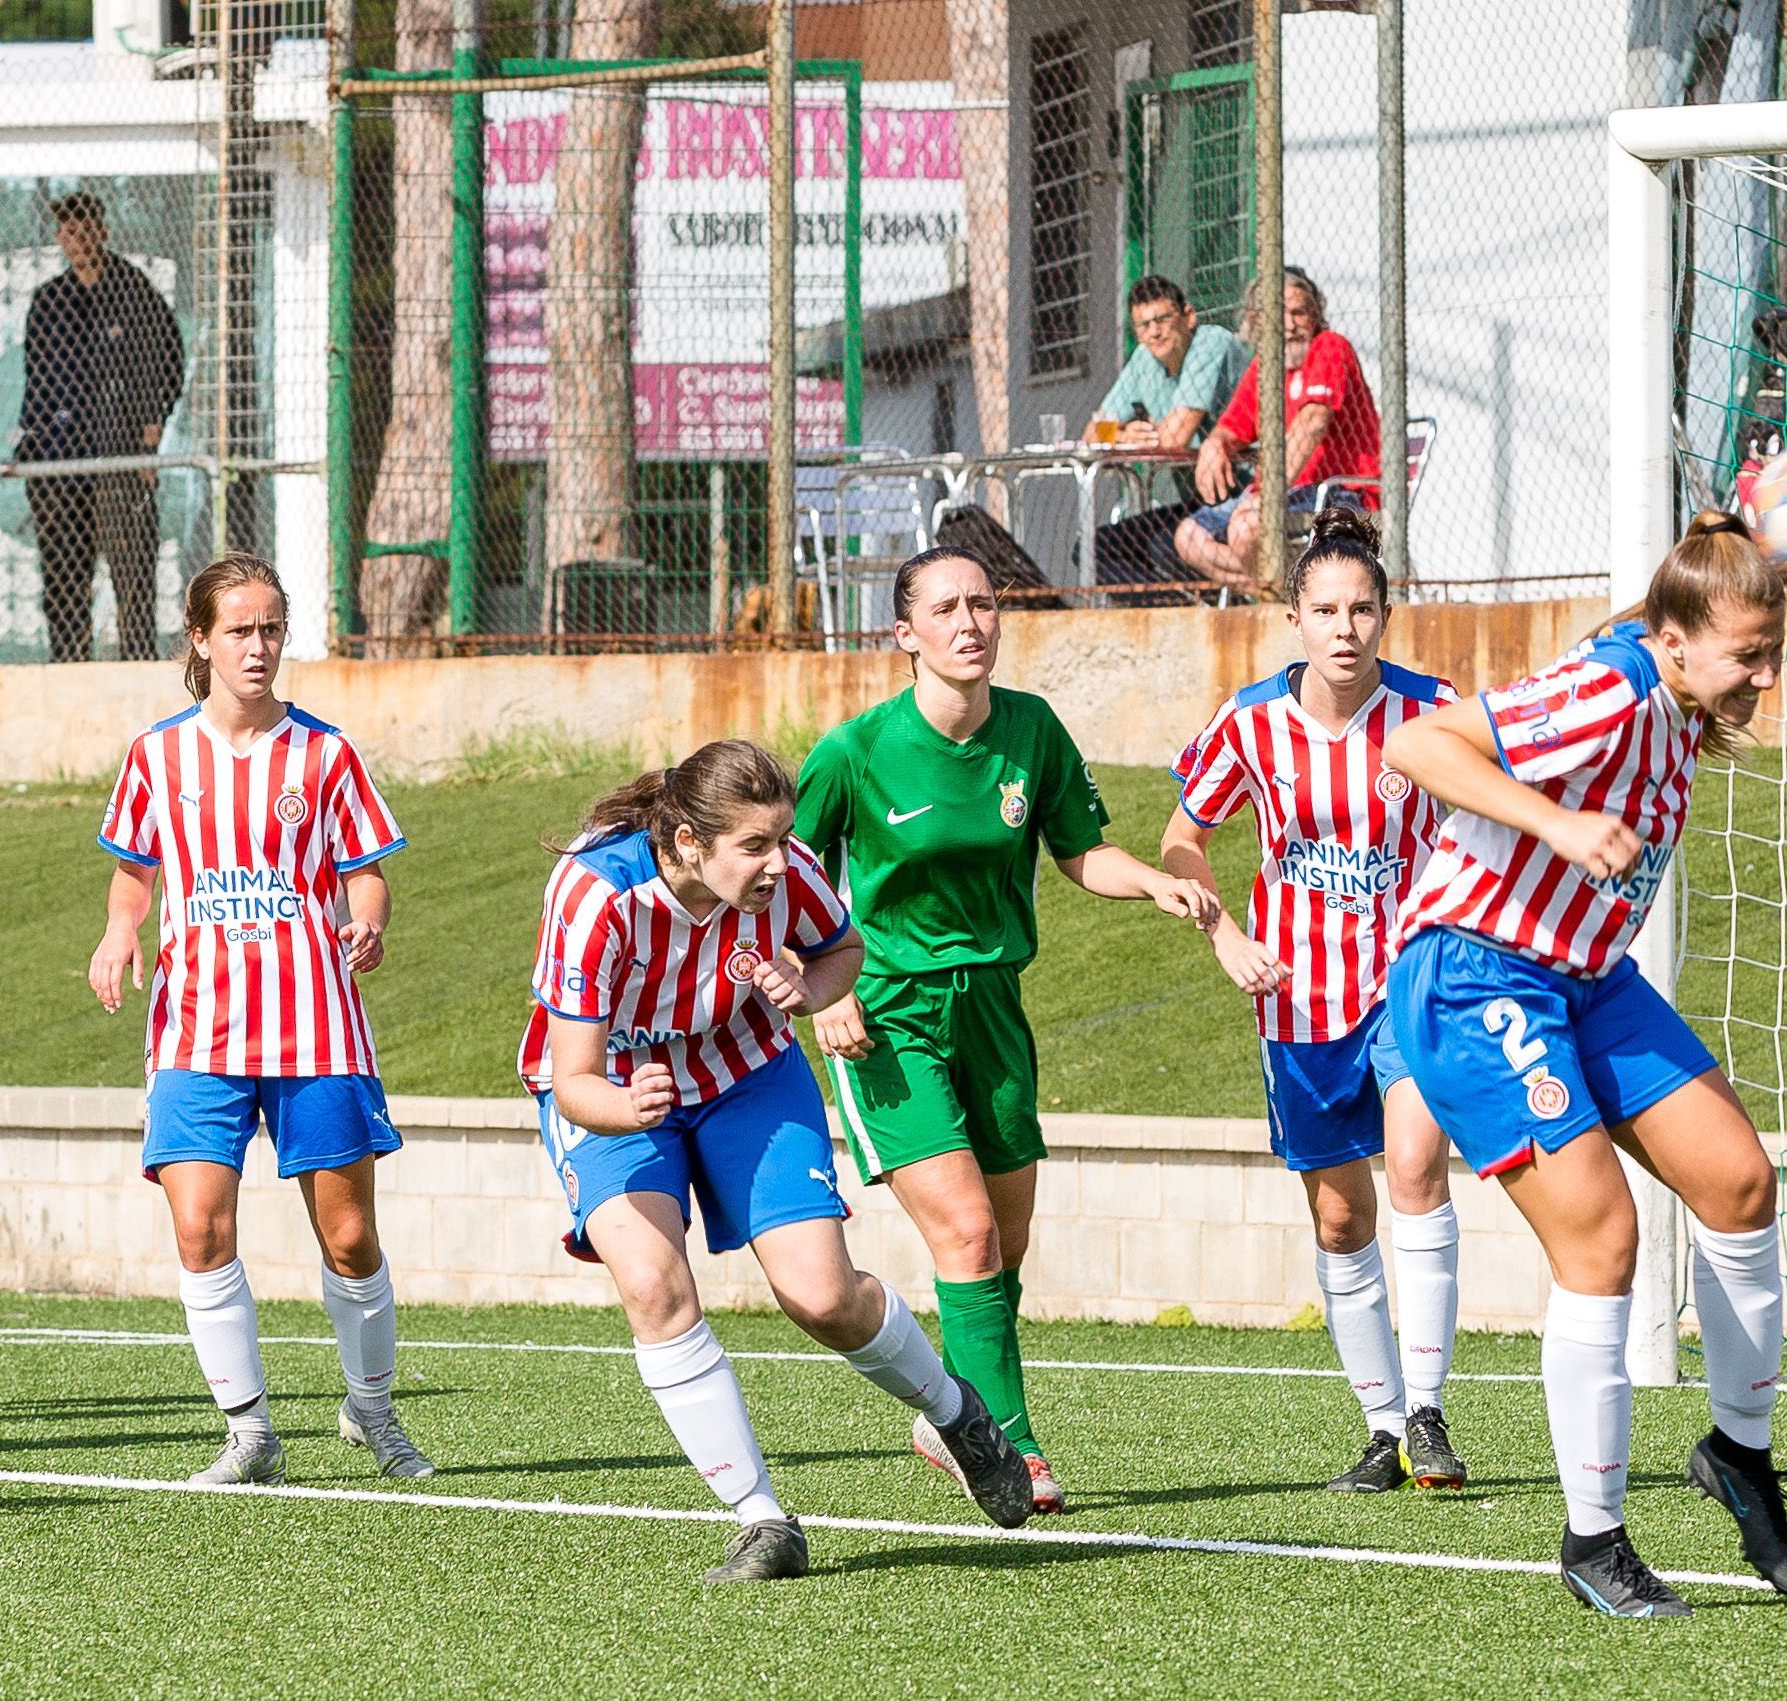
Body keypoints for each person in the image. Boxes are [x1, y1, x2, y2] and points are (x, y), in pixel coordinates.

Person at [1382, 515, 1787, 1617]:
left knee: (1739, 1182)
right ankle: (1592, 1540)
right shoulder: (1612, 688)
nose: (1764, 675)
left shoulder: (1676, 701)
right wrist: (1556, 827)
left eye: (1772, 652)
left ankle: (1736, 1454)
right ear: (1671, 641)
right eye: (1747, 654)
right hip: (1477, 978)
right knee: (1602, 1236)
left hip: (1584, 978)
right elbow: (1417, 744)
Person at [529, 739, 1036, 1582]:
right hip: (620, 1088)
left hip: (746, 1074)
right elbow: (569, 1076)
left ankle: (957, 1414)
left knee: (823, 1295)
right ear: (689, 841)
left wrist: (815, 989)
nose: (777, 864)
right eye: (755, 846)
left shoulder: (787, 868)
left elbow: (842, 949)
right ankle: (762, 1519)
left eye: (784, 838)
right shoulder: (595, 895)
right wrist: (631, 1107)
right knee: (654, 1284)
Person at [798, 546, 1220, 1513]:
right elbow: (782, 876)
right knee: (969, 1231)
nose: (969, 621)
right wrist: (829, 991)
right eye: (945, 607)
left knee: (1004, 1242)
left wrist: (1153, 878)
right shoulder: (856, 752)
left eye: (983, 603)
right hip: (891, 1019)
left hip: (996, 1009)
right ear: (905, 633)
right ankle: (1006, 1446)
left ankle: (944, 1409)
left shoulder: (1030, 728)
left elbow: (1080, 852)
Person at [88, 553, 433, 1486]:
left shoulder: (325, 753)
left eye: (272, 627)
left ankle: (370, 1408)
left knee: (350, 1234)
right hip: (197, 1029)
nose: (258, 645)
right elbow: (134, 880)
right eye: (239, 629)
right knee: (200, 1225)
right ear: (199, 639)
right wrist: (120, 936)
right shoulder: (157, 754)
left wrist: (366, 921)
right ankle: (249, 1431)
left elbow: (368, 872)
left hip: (316, 1025)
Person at [1160, 515, 1471, 1494]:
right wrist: (1223, 933)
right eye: (1324, 611)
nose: (1344, 628)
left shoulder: (1432, 709)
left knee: (1416, 1165)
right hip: (1296, 997)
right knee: (1341, 1218)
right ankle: (1379, 1428)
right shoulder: (1249, 723)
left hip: (1409, 980)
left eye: (1362, 610)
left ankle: (1426, 1413)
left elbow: (1486, 811)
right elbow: (1181, 836)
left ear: (1385, 617)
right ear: (1294, 619)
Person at [15, 190, 184, 664]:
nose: (81, 240)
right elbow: (39, 384)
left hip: (122, 459)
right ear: (59, 239)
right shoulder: (48, 302)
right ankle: (68, 669)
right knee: (64, 580)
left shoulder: (133, 290)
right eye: (70, 232)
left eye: (88, 229)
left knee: (133, 580)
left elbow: (168, 360)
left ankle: (136, 670)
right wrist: (31, 446)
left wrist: (151, 432)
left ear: (104, 230)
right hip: (62, 465)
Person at [1177, 270, 1382, 588]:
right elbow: (1231, 429)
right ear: (1257, 320)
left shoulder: (1329, 347)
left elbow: (1313, 421)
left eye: (1299, 313)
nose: (1289, 325)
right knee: (1189, 537)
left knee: (1246, 529)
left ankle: (1296, 600)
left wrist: (1269, 495)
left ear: (1315, 315)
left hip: (1338, 492)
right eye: (1279, 315)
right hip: (1281, 495)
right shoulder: (1264, 367)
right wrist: (1215, 445)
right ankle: (1289, 595)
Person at [1096, 275, 1237, 450]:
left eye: (1162, 319)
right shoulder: (1143, 356)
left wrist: (1142, 437)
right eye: (1143, 325)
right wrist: (1123, 436)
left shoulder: (1210, 342)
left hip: (1251, 472)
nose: (1154, 332)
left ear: (1189, 317)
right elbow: (1093, 431)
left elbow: (1175, 440)